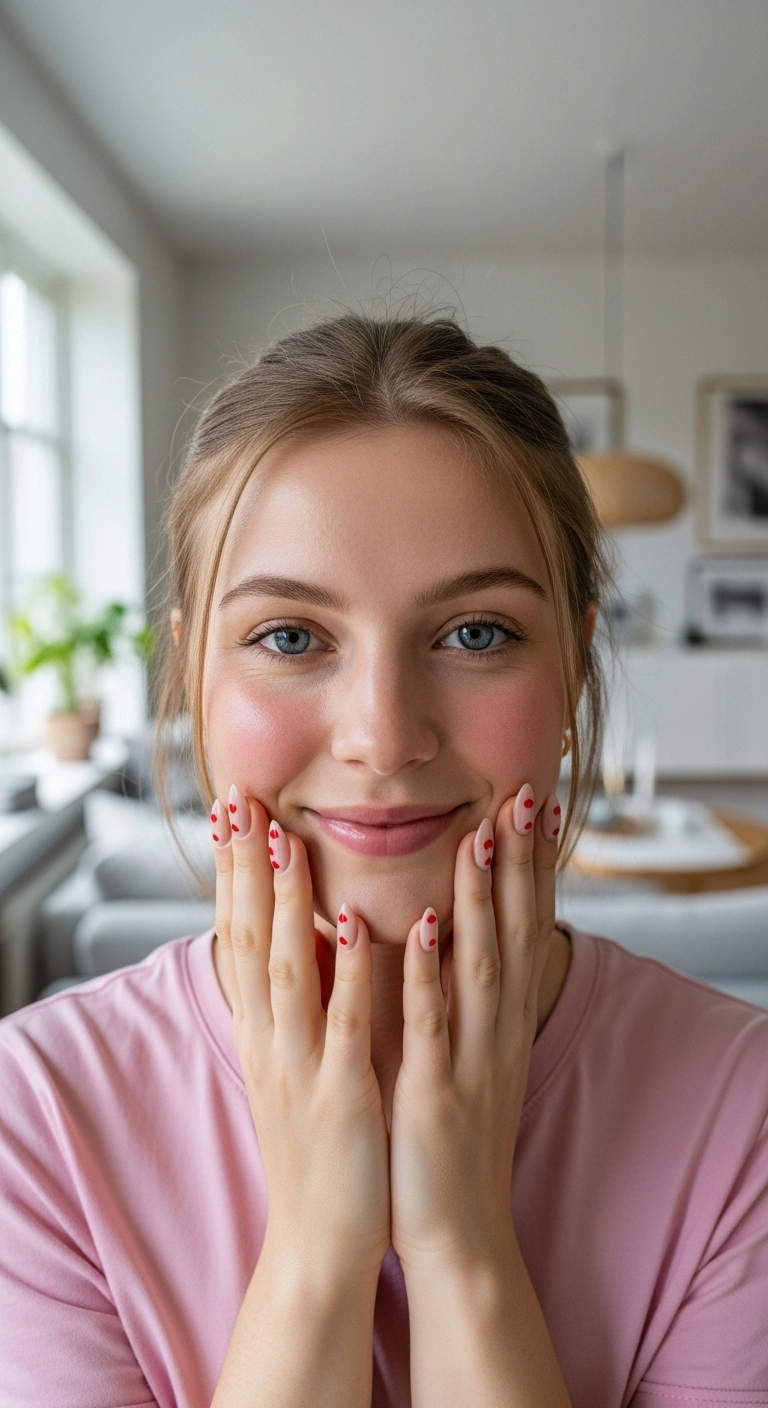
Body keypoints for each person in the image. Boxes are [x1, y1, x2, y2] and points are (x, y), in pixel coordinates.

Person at [2, 314, 768, 1408]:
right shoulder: (33, 1123)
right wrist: (317, 1254)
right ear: (195, 682)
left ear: (573, 676)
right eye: (290, 637)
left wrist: (464, 1253)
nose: (382, 732)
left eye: (475, 633)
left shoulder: (744, 1114)